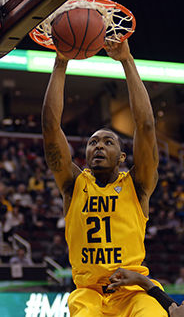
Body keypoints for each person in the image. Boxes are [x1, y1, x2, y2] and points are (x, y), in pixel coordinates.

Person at [41, 39, 167, 316]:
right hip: (89, 294)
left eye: (108, 142)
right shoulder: (74, 185)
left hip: (133, 291)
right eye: (93, 142)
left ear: (122, 157)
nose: (98, 146)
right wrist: (61, 63)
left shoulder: (137, 185)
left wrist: (127, 60)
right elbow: (51, 128)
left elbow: (145, 126)